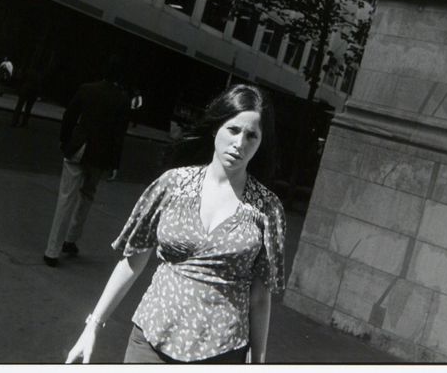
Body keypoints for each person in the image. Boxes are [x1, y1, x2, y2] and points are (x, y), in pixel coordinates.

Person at [65, 84, 285, 364]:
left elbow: (260, 297)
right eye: (233, 130)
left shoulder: (267, 208)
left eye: (251, 135)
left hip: (222, 350)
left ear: (261, 143)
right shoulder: (173, 185)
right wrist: (93, 325)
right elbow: (132, 262)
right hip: (151, 340)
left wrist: (259, 361)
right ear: (216, 128)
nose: (240, 143)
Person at [43, 56, 131, 267]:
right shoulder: (122, 99)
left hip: (78, 148)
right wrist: (115, 164)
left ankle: (51, 250)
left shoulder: (87, 89)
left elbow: (69, 116)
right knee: (87, 197)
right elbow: (119, 135)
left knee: (66, 197)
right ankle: (71, 240)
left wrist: (64, 140)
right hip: (100, 156)